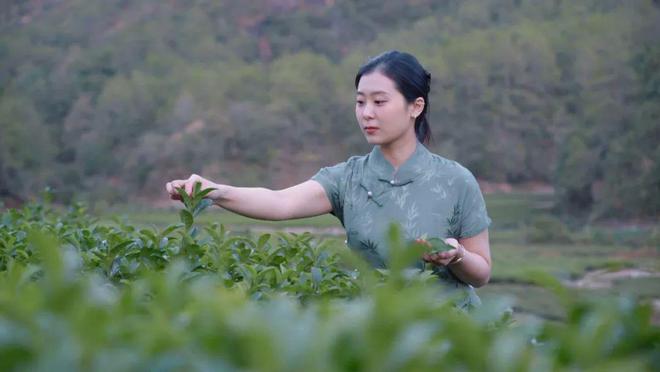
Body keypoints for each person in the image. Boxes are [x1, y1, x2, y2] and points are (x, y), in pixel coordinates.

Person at [166, 51, 492, 307]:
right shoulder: (347, 178)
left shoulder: (455, 180)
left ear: (415, 106)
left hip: (448, 334)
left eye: (379, 102)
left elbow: (482, 273)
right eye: (360, 102)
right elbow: (280, 202)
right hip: (375, 331)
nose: (366, 113)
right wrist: (215, 191)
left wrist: (457, 256)